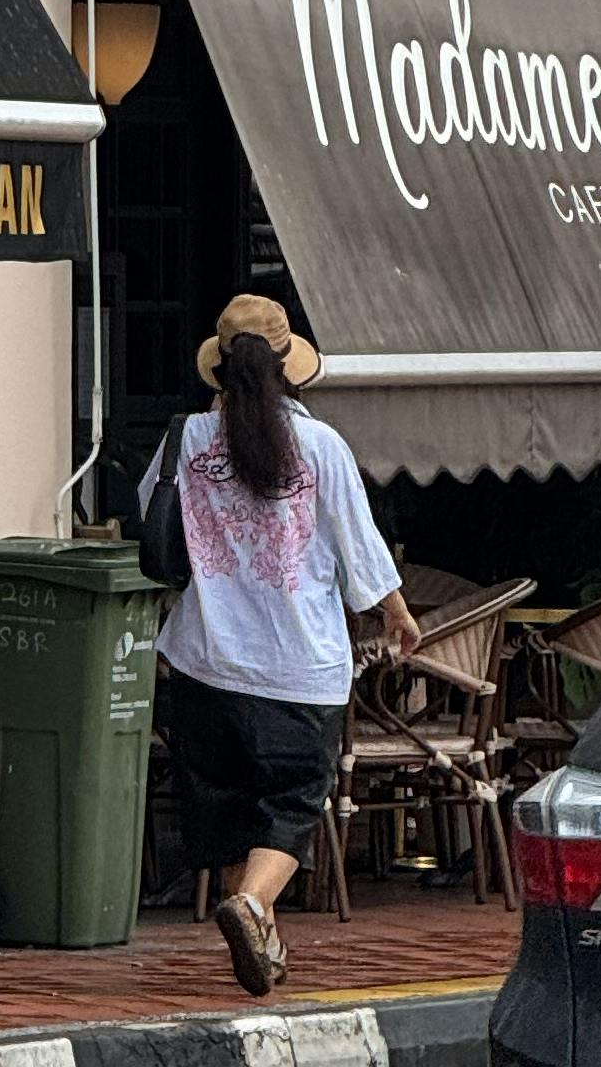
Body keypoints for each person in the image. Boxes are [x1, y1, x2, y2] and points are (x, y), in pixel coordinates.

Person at [144, 293, 416, 1001]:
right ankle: (256, 908)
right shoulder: (320, 446)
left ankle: (258, 938)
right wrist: (393, 608)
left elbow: (152, 520)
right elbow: (359, 544)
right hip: (299, 670)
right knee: (292, 804)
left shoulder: (188, 440)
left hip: (205, 665)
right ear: (288, 365)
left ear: (219, 367)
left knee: (229, 809)